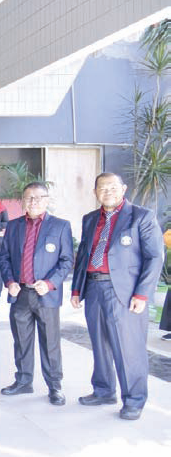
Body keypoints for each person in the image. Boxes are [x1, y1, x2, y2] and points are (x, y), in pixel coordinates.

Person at [70, 172, 163, 421]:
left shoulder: (141, 217)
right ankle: (103, 390)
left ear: (123, 189)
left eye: (112, 187)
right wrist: (77, 289)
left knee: (128, 348)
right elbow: (84, 255)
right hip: (94, 288)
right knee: (99, 345)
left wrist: (142, 294)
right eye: (102, 187)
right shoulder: (90, 219)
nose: (107, 191)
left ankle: (134, 399)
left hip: (124, 292)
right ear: (95, 192)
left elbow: (155, 257)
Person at [0, 182, 73, 406]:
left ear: (47, 200)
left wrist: (50, 283)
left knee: (50, 342)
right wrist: (10, 281)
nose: (34, 202)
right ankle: (23, 380)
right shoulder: (13, 226)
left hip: (45, 295)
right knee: (21, 341)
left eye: (39, 197)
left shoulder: (60, 226)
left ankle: (55, 386)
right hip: (20, 292)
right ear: (23, 201)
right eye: (29, 198)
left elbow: (67, 260)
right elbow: (4, 258)